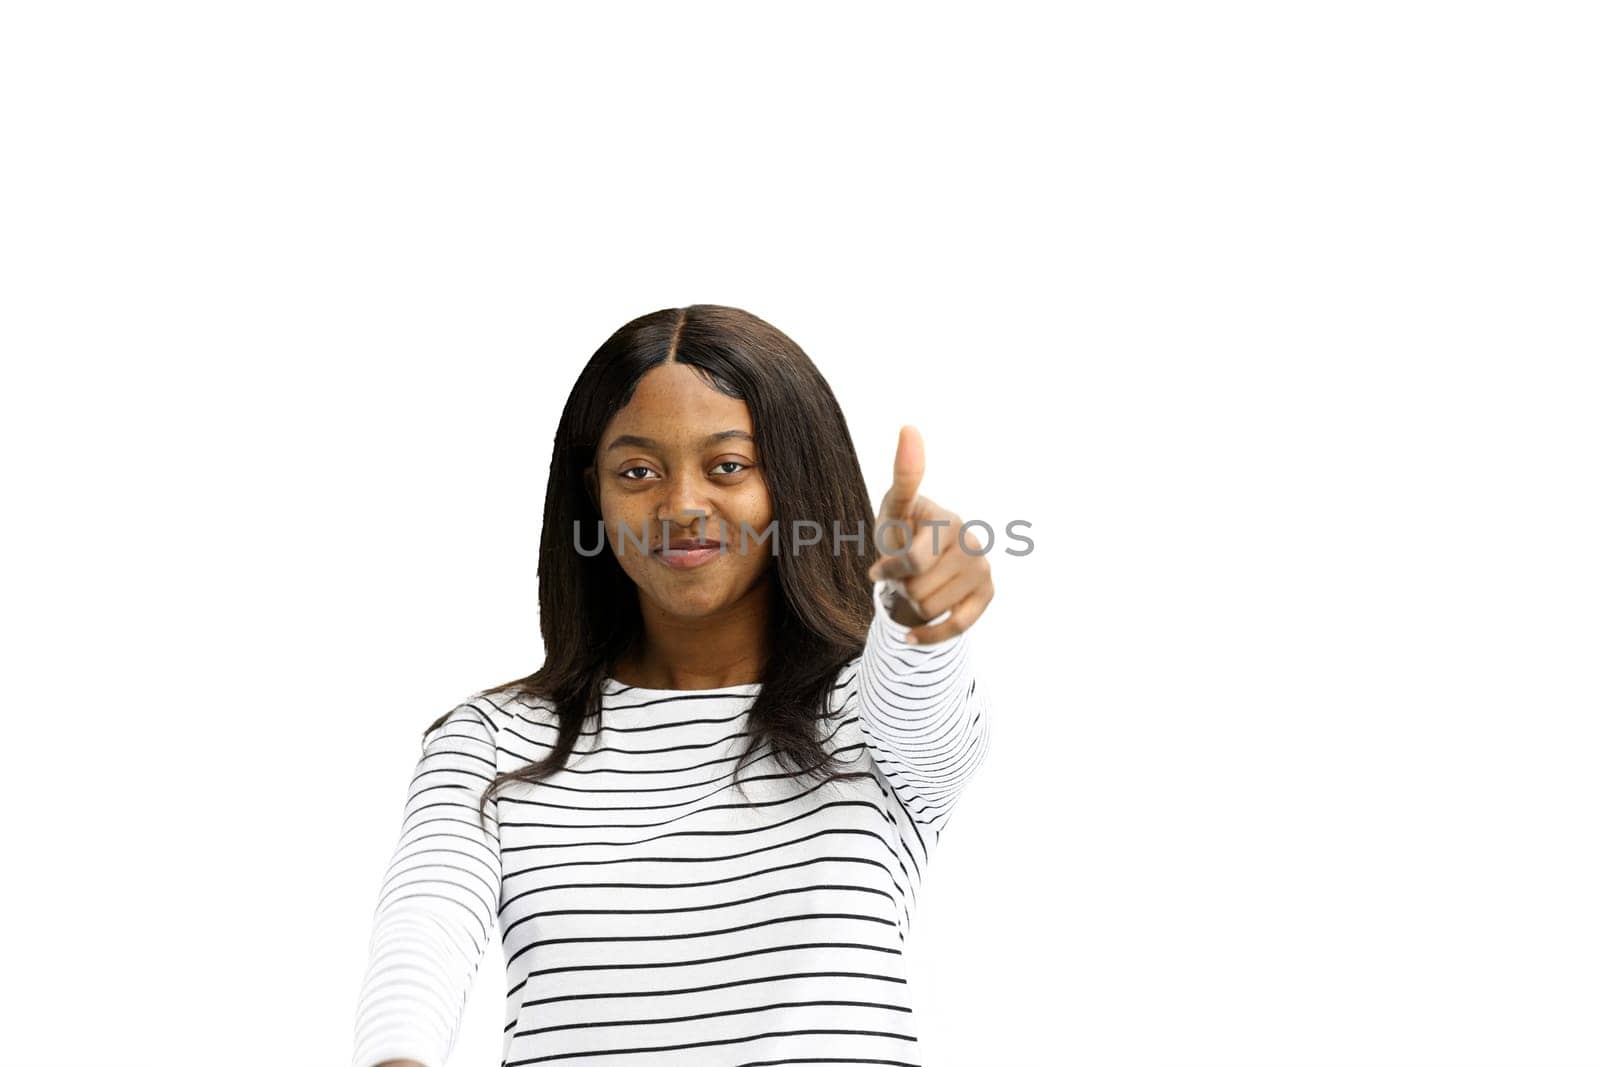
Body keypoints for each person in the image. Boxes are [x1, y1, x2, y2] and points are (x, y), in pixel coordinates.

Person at [350, 304, 997, 1067]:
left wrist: (918, 614)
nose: (682, 505)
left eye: (729, 466)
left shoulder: (864, 715)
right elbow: (423, 935)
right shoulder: (492, 739)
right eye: (638, 471)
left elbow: (923, 711)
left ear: (795, 479)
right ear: (593, 493)